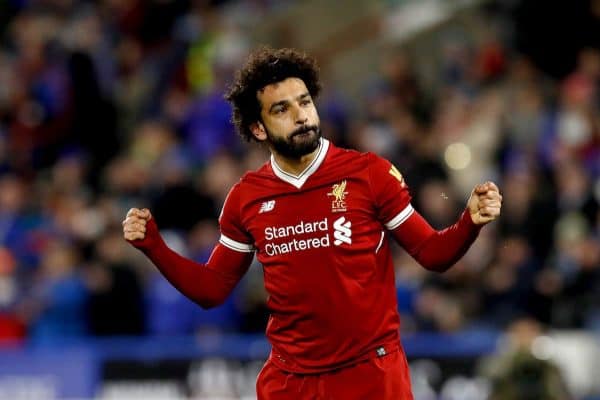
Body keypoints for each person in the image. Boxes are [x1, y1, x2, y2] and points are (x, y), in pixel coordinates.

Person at [122, 47, 502, 399]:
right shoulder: (246, 197)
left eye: (304, 102)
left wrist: (469, 222)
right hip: (291, 383)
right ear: (258, 128)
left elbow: (432, 253)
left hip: (370, 375)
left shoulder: (368, 174)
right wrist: (153, 245)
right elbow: (213, 289)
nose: (301, 116)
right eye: (281, 109)